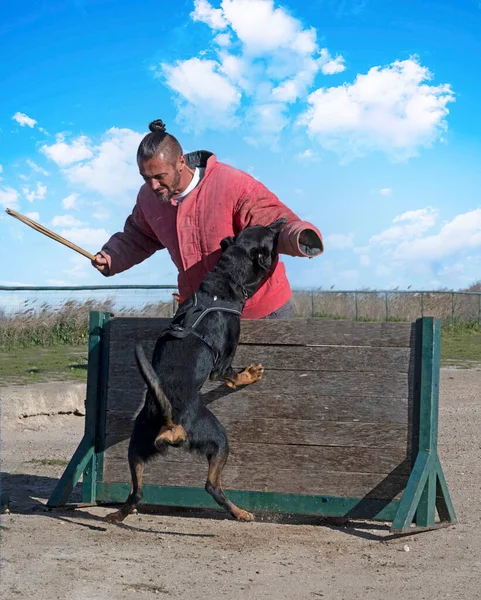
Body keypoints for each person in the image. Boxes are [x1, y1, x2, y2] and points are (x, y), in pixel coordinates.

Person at [92, 119, 323, 319]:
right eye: (146, 178)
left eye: (160, 177)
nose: (153, 185)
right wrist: (112, 256)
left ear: (180, 162)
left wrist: (299, 236)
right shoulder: (147, 199)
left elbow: (274, 221)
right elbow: (139, 236)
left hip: (260, 311)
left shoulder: (230, 183)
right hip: (202, 313)